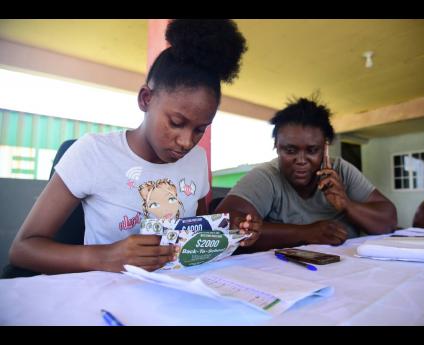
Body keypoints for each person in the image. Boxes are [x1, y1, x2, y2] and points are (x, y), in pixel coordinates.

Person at [8, 19, 259, 275]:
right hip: (105, 295)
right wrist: (105, 256)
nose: (186, 142)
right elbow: (23, 249)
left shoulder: (197, 159)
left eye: (200, 129)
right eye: (176, 123)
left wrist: (231, 233)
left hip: (176, 294)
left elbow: (197, 231)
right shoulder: (93, 153)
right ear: (146, 99)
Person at [216, 96, 397, 253]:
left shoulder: (342, 171)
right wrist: (305, 233)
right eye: (290, 150)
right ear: (276, 146)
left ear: (325, 148)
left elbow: (388, 221)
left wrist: (347, 205)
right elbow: (223, 225)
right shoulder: (267, 176)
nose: (301, 160)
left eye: (312, 150)